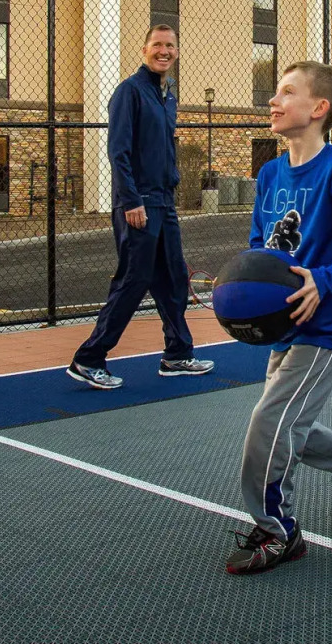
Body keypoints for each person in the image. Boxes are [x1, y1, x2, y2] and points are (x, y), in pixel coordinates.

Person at [225, 60, 332, 575]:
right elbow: (262, 247)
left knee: (270, 421)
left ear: (318, 108)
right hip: (287, 324)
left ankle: (278, 531)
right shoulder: (270, 173)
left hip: (327, 327)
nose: (273, 101)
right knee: (289, 425)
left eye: (285, 92)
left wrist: (323, 280)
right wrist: (243, 289)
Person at [68, 24, 215, 389]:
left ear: (176, 51)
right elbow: (118, 152)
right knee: (134, 280)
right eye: (157, 45)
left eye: (170, 46)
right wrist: (131, 200)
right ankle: (89, 359)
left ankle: (177, 355)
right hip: (139, 203)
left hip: (165, 203)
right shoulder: (128, 92)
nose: (164, 51)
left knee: (173, 280)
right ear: (144, 50)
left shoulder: (167, 96)